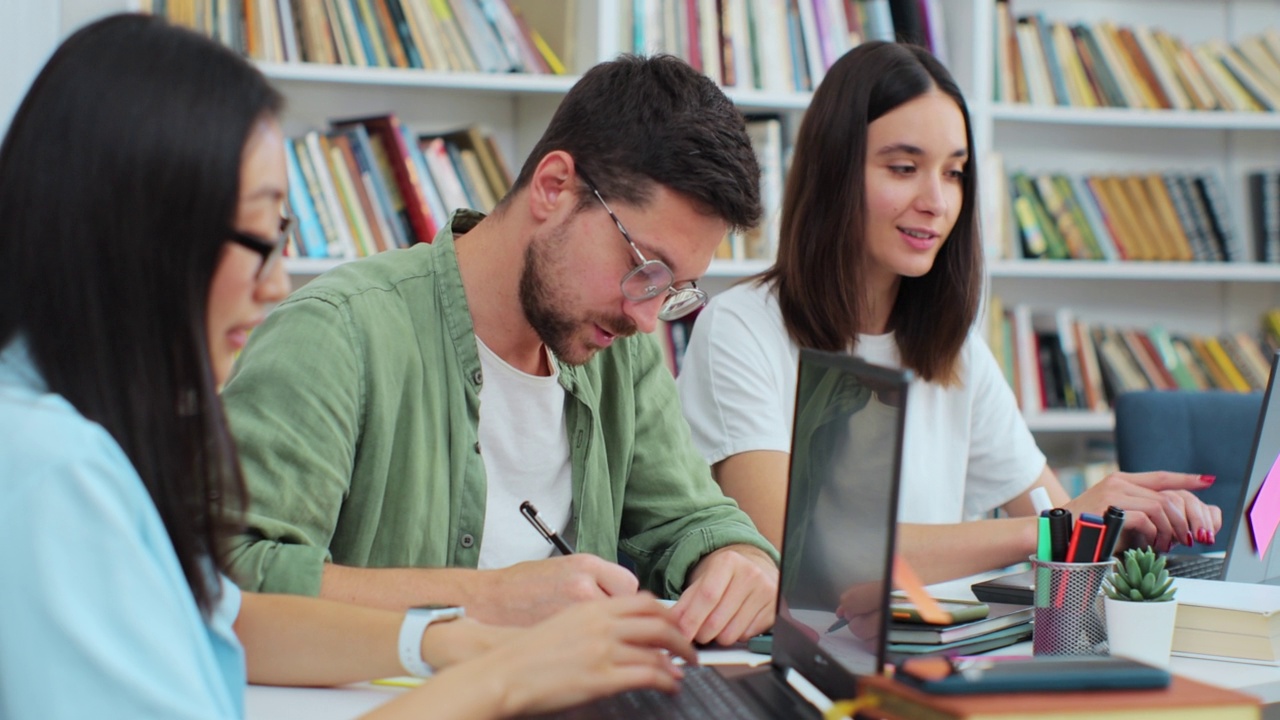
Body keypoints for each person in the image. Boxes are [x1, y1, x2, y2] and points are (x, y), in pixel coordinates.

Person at [0, 14, 700, 719]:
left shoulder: (65, 437)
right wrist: (502, 671)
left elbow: (227, 613)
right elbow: (241, 575)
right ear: (141, 232)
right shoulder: (56, 475)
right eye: (256, 235)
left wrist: (447, 644)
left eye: (283, 237)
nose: (275, 285)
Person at [218, 53, 779, 644]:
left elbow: (693, 521)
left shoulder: (620, 352)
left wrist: (742, 562)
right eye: (646, 269)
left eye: (674, 290)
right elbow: (234, 576)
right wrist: (485, 599)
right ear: (554, 186)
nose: (646, 318)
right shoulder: (337, 333)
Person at [675, 41, 1222, 584]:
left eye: (955, 173)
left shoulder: (953, 350)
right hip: (794, 660)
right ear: (833, 172)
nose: (937, 200)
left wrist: (1124, 523)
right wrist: (1055, 529)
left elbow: (1057, 525)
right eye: (905, 167)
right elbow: (796, 547)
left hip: (930, 653)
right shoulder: (741, 328)